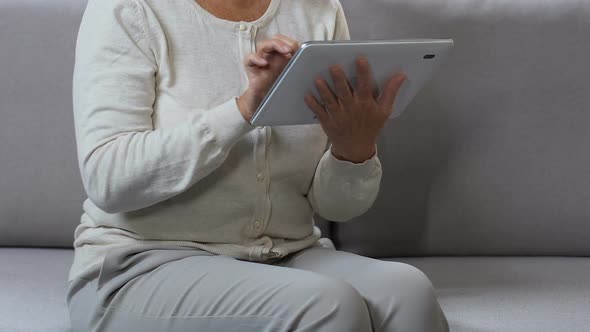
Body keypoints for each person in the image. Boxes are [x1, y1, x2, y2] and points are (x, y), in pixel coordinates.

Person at [65, 0, 450, 331]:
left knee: (409, 293)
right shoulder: (131, 10)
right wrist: (243, 111)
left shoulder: (318, 10)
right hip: (141, 265)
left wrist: (353, 148)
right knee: (327, 305)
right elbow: (108, 177)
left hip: (285, 255)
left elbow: (336, 209)